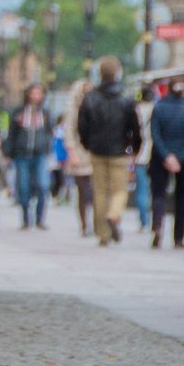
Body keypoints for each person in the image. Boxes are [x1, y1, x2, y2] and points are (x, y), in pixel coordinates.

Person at [77, 56, 141, 247]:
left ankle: (103, 234)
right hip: (119, 150)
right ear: (117, 73)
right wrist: (134, 147)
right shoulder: (126, 98)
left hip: (97, 150)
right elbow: (135, 126)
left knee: (100, 191)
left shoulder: (90, 98)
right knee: (120, 189)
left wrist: (87, 144)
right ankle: (114, 214)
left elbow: (82, 126)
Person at [150, 79, 184, 249]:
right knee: (182, 197)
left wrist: (166, 156)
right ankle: (179, 237)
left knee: (159, 194)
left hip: (161, 157)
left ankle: (157, 226)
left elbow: (154, 134)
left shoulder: (159, 108)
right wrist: (180, 158)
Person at [3, 83, 53, 230]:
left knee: (43, 186)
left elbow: (50, 133)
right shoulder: (18, 112)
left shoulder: (45, 113)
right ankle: (25, 218)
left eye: (39, 93)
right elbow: (11, 134)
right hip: (21, 154)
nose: (36, 96)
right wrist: (7, 152)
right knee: (23, 186)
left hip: (40, 154)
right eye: (33, 93)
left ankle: (40, 218)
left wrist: (47, 147)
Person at [63, 80, 95, 237]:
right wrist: (71, 151)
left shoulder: (96, 105)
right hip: (79, 153)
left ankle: (97, 222)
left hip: (95, 153)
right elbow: (68, 131)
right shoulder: (72, 109)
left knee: (95, 191)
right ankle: (84, 224)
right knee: (83, 191)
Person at [133, 88, 155, 231]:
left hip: (139, 155)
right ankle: (154, 219)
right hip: (155, 154)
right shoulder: (156, 109)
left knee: (142, 189)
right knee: (154, 189)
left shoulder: (136, 111)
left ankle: (144, 221)